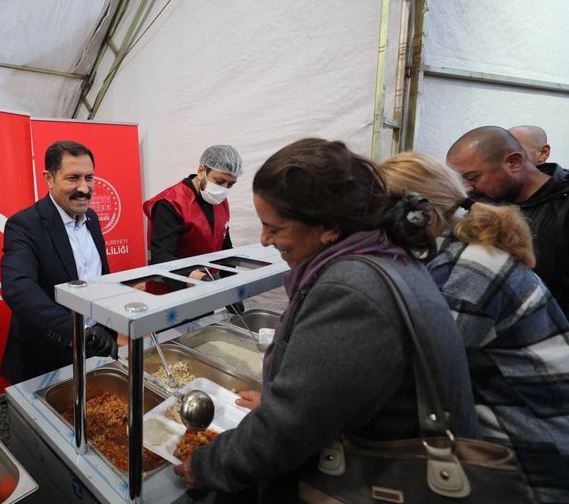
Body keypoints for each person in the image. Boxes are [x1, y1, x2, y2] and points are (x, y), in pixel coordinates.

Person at [173, 138, 478, 500]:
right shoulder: (384, 258)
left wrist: (205, 465)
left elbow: (287, 430)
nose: (265, 239)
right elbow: (330, 393)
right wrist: (279, 398)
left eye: (275, 227)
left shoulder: (352, 289)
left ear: (329, 227)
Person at [380, 151, 569, 503]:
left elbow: (419, 368)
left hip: (531, 455)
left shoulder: (472, 268)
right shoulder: (450, 251)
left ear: (419, 214)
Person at [0, 140, 118, 384]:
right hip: (47, 360)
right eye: (73, 178)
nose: (84, 188)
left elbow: (98, 278)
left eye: (89, 178)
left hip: (96, 349)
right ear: (49, 178)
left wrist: (106, 328)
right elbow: (19, 289)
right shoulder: (24, 225)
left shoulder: (92, 218)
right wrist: (78, 332)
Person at [447, 126, 569, 315]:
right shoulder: (484, 202)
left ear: (514, 162)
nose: (467, 188)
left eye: (472, 177)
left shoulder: (563, 206)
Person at [143, 145, 243, 276]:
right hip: (173, 284)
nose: (224, 188)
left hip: (208, 281)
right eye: (219, 181)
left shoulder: (219, 200)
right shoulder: (171, 203)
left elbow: (225, 247)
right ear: (201, 171)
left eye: (230, 184)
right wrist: (198, 278)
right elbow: (162, 257)